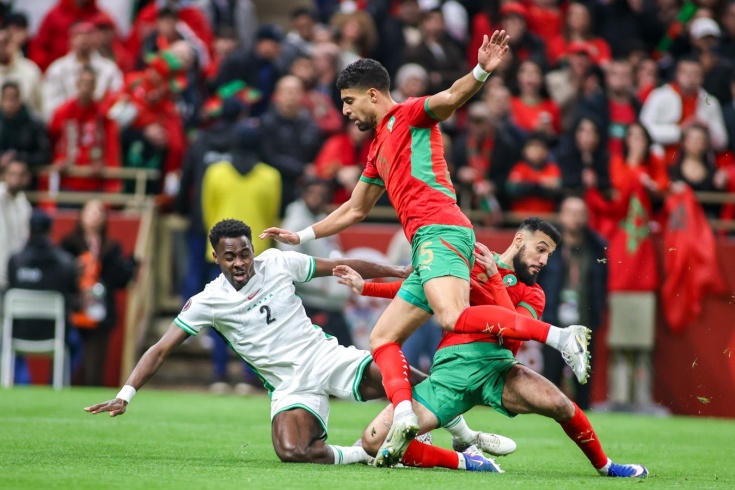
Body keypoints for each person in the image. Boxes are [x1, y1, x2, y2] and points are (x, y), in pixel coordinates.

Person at [261, 31, 591, 468]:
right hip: (425, 243)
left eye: (349, 101)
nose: (345, 111)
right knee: (382, 337)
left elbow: (452, 97)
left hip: (443, 229)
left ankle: (561, 336)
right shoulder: (377, 149)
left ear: (373, 94)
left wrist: (481, 70)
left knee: (451, 316)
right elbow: (356, 208)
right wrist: (301, 236)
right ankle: (404, 413)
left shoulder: (411, 114)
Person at [84, 219, 506, 469]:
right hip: (289, 386)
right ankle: (363, 454)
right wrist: (126, 393)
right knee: (292, 451)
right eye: (230, 257)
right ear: (216, 258)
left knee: (401, 376)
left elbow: (340, 265)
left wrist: (395, 270)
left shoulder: (277, 262)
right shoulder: (207, 302)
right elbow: (160, 349)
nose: (240, 263)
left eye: (244, 253)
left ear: (252, 249)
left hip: (323, 356)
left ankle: (465, 438)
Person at [338, 219, 647, 478]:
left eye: (549, 255)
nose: (543, 261)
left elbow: (513, 336)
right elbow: (422, 289)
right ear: (518, 241)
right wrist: (366, 287)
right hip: (452, 372)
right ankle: (467, 460)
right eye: (540, 250)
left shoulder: (534, 293)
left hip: (499, 370)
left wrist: (494, 281)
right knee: (374, 441)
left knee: (560, 404)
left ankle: (606, 466)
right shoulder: (471, 263)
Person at [538, 197, 607, 410]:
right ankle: (548, 417)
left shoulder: (596, 247)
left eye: (580, 213)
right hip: (553, 320)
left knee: (583, 381)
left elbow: (602, 284)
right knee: (551, 378)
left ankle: (583, 420)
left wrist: (598, 314)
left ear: (586, 217)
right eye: (570, 213)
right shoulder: (548, 246)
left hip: (584, 321)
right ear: (561, 215)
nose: (575, 219)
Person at [61, 200, 136, 386]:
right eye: (91, 212)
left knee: (94, 363)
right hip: (74, 309)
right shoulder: (68, 244)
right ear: (81, 216)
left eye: (100, 212)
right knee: (70, 359)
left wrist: (131, 266)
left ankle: (91, 393)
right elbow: (59, 275)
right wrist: (75, 270)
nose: (95, 217)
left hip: (100, 310)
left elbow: (119, 279)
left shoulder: (111, 247)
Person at [7, 210, 82, 384]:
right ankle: (55, 383)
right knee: (75, 344)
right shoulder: (66, 262)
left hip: (18, 331)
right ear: (50, 231)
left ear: (29, 230)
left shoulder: (15, 261)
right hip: (56, 332)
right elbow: (74, 299)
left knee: (5, 337)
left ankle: (22, 385)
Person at [277, 179, 353, 346]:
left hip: (330, 301)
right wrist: (321, 287)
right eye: (312, 193)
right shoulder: (295, 223)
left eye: (321, 194)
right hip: (311, 302)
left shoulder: (322, 219)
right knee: (329, 349)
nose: (316, 197)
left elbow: (333, 253)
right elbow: (288, 265)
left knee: (343, 349)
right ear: (303, 194)